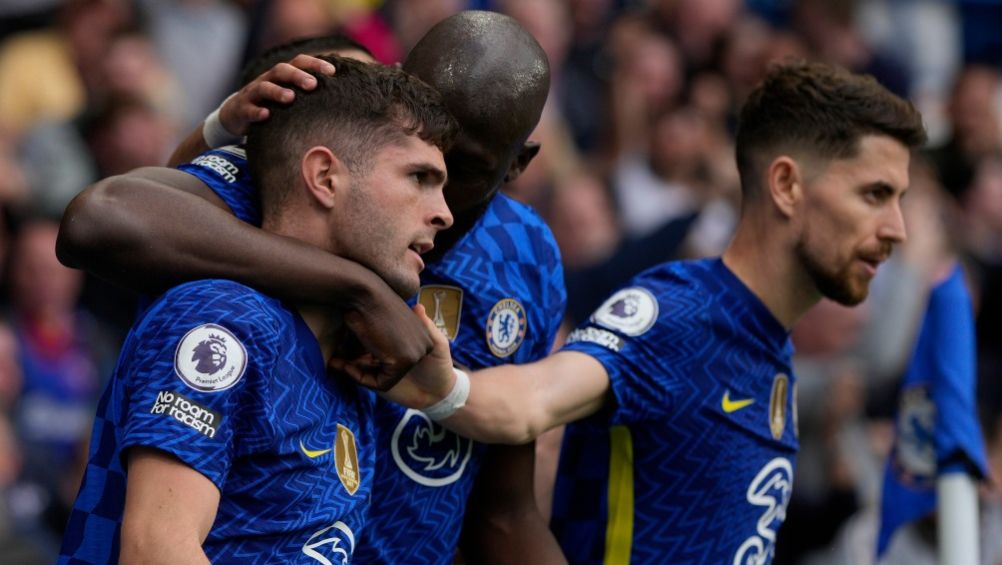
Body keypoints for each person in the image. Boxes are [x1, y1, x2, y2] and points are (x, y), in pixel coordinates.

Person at [359, 59, 928, 564]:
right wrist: (445, 387)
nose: (896, 230)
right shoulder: (678, 315)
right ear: (786, 185)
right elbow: (534, 400)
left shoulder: (766, 347)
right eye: (874, 195)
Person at [57, 12, 566, 564]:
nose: (441, 208)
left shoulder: (524, 257)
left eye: (458, 171)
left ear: (516, 165)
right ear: (325, 176)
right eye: (420, 172)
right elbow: (99, 220)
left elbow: (504, 511)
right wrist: (361, 292)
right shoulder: (223, 306)